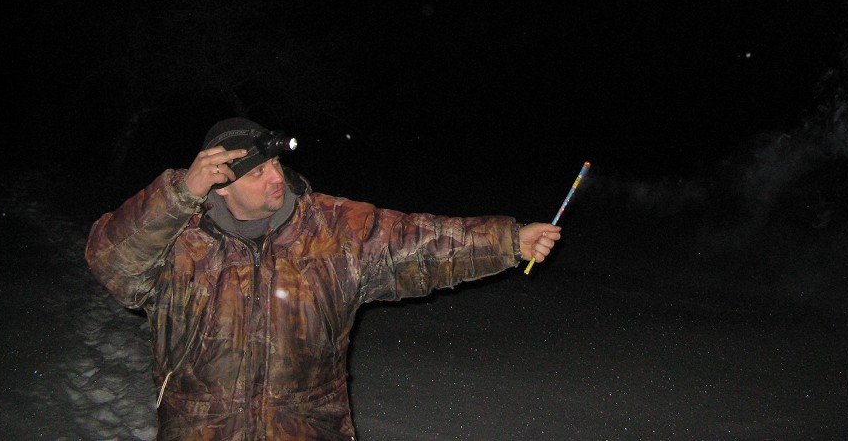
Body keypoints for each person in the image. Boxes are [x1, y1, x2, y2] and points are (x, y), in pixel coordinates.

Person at [85, 117, 561, 440]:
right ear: (220, 186)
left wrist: (508, 241)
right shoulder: (178, 241)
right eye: (258, 172)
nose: (276, 177)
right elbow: (112, 262)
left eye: (275, 164)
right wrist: (178, 193)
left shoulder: (330, 230)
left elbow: (417, 243)